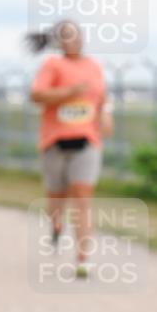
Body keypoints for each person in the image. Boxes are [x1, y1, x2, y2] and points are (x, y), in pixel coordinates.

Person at [28, 20, 112, 279]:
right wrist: (69, 92)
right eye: (66, 37)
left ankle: (83, 258)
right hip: (55, 142)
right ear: (58, 41)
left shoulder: (94, 66)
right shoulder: (52, 65)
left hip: (86, 141)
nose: (72, 41)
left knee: (82, 199)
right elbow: (36, 95)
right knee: (57, 197)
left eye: (76, 36)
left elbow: (101, 97)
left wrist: (106, 115)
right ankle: (56, 224)